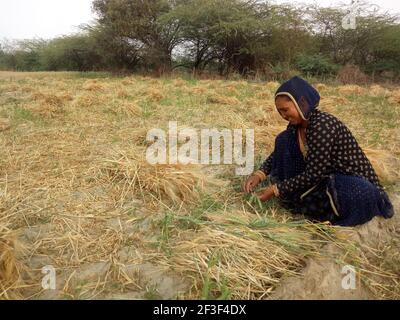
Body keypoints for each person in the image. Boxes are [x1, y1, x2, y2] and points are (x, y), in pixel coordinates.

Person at [242, 76, 394, 226]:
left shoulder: (322, 126)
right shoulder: (295, 126)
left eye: (285, 110)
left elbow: (314, 174)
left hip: (346, 179)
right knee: (283, 139)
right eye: (279, 112)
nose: (283, 116)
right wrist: (259, 174)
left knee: (357, 192)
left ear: (302, 104)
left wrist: (276, 189)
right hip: (324, 177)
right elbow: (277, 154)